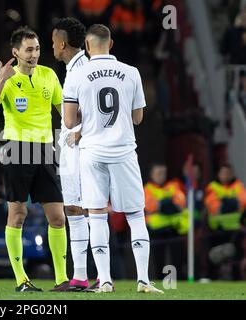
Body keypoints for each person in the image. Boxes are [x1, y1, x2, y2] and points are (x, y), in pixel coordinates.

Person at [63, 24, 163, 293]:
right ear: (111, 44)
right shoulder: (131, 72)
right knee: (135, 215)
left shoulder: (78, 74)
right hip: (123, 151)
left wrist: (89, 122)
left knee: (96, 215)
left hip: (92, 151)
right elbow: (138, 117)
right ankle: (143, 280)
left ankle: (105, 280)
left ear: (86, 45)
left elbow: (69, 120)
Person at [0, 26, 68, 292]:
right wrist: (1, 81)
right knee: (17, 214)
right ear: (15, 52)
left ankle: (62, 280)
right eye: (29, 50)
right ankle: (21, 279)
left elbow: (65, 111)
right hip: (17, 148)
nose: (34, 54)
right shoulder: (7, 79)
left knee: (57, 217)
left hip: (44, 150)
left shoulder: (49, 75)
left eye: (38, 49)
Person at [52, 17, 94, 291]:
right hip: (78, 148)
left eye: (54, 42)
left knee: (78, 209)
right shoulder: (77, 68)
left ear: (63, 43)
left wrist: (80, 133)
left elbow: (86, 112)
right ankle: (91, 274)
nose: (52, 47)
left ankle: (81, 276)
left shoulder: (79, 72)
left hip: (80, 150)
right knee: (82, 209)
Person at [144, 163, 186, 279]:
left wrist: (161, 204)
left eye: (163, 173)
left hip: (174, 228)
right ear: (152, 174)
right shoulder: (147, 189)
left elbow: (181, 202)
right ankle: (159, 281)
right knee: (158, 259)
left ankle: (178, 281)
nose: (161, 176)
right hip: (156, 230)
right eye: (158, 173)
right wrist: (168, 203)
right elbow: (150, 206)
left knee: (177, 258)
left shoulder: (173, 185)